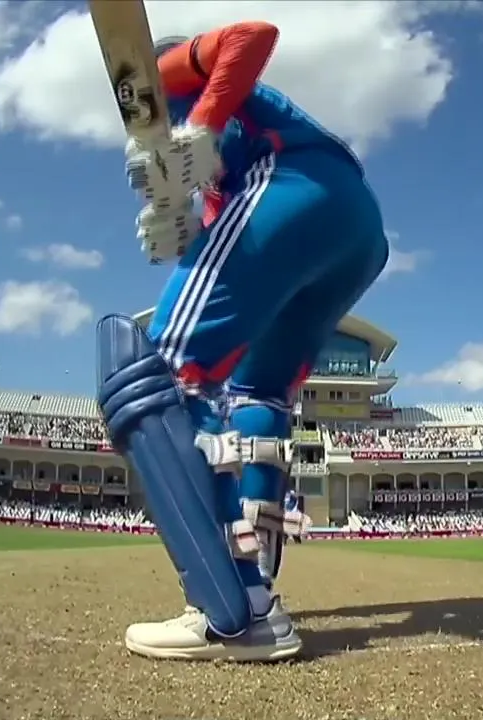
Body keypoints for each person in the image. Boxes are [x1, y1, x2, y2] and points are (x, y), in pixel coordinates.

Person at [96, 20, 389, 662]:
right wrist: (179, 219)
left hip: (292, 185)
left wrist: (200, 122)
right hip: (356, 229)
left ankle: (232, 610)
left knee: (165, 372)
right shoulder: (213, 173)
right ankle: (256, 588)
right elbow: (221, 232)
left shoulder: (166, 73)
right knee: (257, 392)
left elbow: (253, 35)